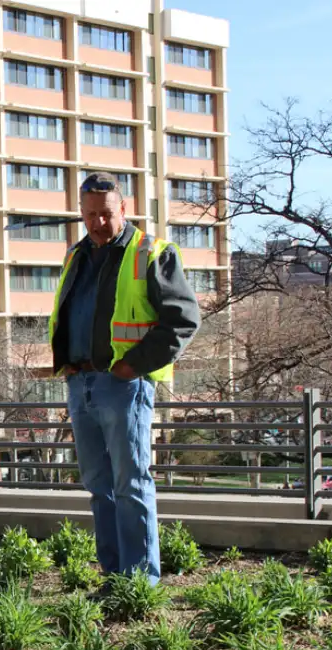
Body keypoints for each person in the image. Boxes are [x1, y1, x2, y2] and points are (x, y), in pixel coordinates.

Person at [49, 173, 201, 585]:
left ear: (125, 208)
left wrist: (132, 367)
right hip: (80, 383)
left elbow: (183, 321)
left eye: (107, 213)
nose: (98, 222)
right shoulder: (76, 256)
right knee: (98, 485)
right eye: (90, 215)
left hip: (123, 385)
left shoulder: (150, 252)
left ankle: (140, 583)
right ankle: (115, 577)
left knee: (130, 483)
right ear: (81, 213)